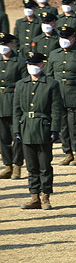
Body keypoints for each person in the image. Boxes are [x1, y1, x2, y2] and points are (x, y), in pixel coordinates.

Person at [14, 52, 63, 209]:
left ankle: (45, 196)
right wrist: (16, 130)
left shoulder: (51, 84)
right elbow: (16, 110)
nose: (32, 68)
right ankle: (34, 195)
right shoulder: (21, 84)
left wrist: (55, 129)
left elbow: (56, 109)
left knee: (44, 165)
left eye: (35, 65)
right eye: (29, 65)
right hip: (26, 127)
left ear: (42, 65)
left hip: (43, 128)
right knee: (31, 166)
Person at [46, 26, 76, 167]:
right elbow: (50, 75)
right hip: (58, 95)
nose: (64, 41)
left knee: (74, 126)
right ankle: (67, 153)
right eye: (62, 38)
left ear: (73, 38)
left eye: (67, 38)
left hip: (74, 94)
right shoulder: (54, 54)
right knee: (62, 126)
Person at [0, 33, 26, 179]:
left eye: (5, 44)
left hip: (14, 101)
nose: (2, 48)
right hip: (0, 102)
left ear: (11, 45)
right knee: (3, 137)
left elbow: (23, 84)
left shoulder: (20, 61)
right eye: (0, 45)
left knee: (16, 135)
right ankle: (7, 165)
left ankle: (17, 165)